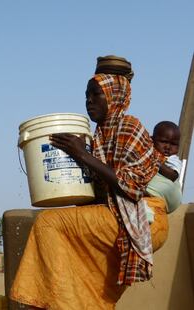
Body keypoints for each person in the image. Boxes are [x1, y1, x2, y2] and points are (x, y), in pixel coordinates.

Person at [10, 56, 169, 309]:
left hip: (144, 217)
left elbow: (132, 187)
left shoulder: (130, 127)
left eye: (96, 94)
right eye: (86, 95)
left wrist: (82, 155)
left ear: (114, 95)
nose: (89, 101)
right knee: (88, 278)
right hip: (118, 215)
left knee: (48, 223)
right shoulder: (100, 135)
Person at [146, 121, 182, 213]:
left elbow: (173, 175)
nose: (168, 147)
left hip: (167, 197)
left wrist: (156, 162)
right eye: (163, 142)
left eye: (173, 144)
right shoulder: (148, 152)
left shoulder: (172, 159)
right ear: (152, 140)